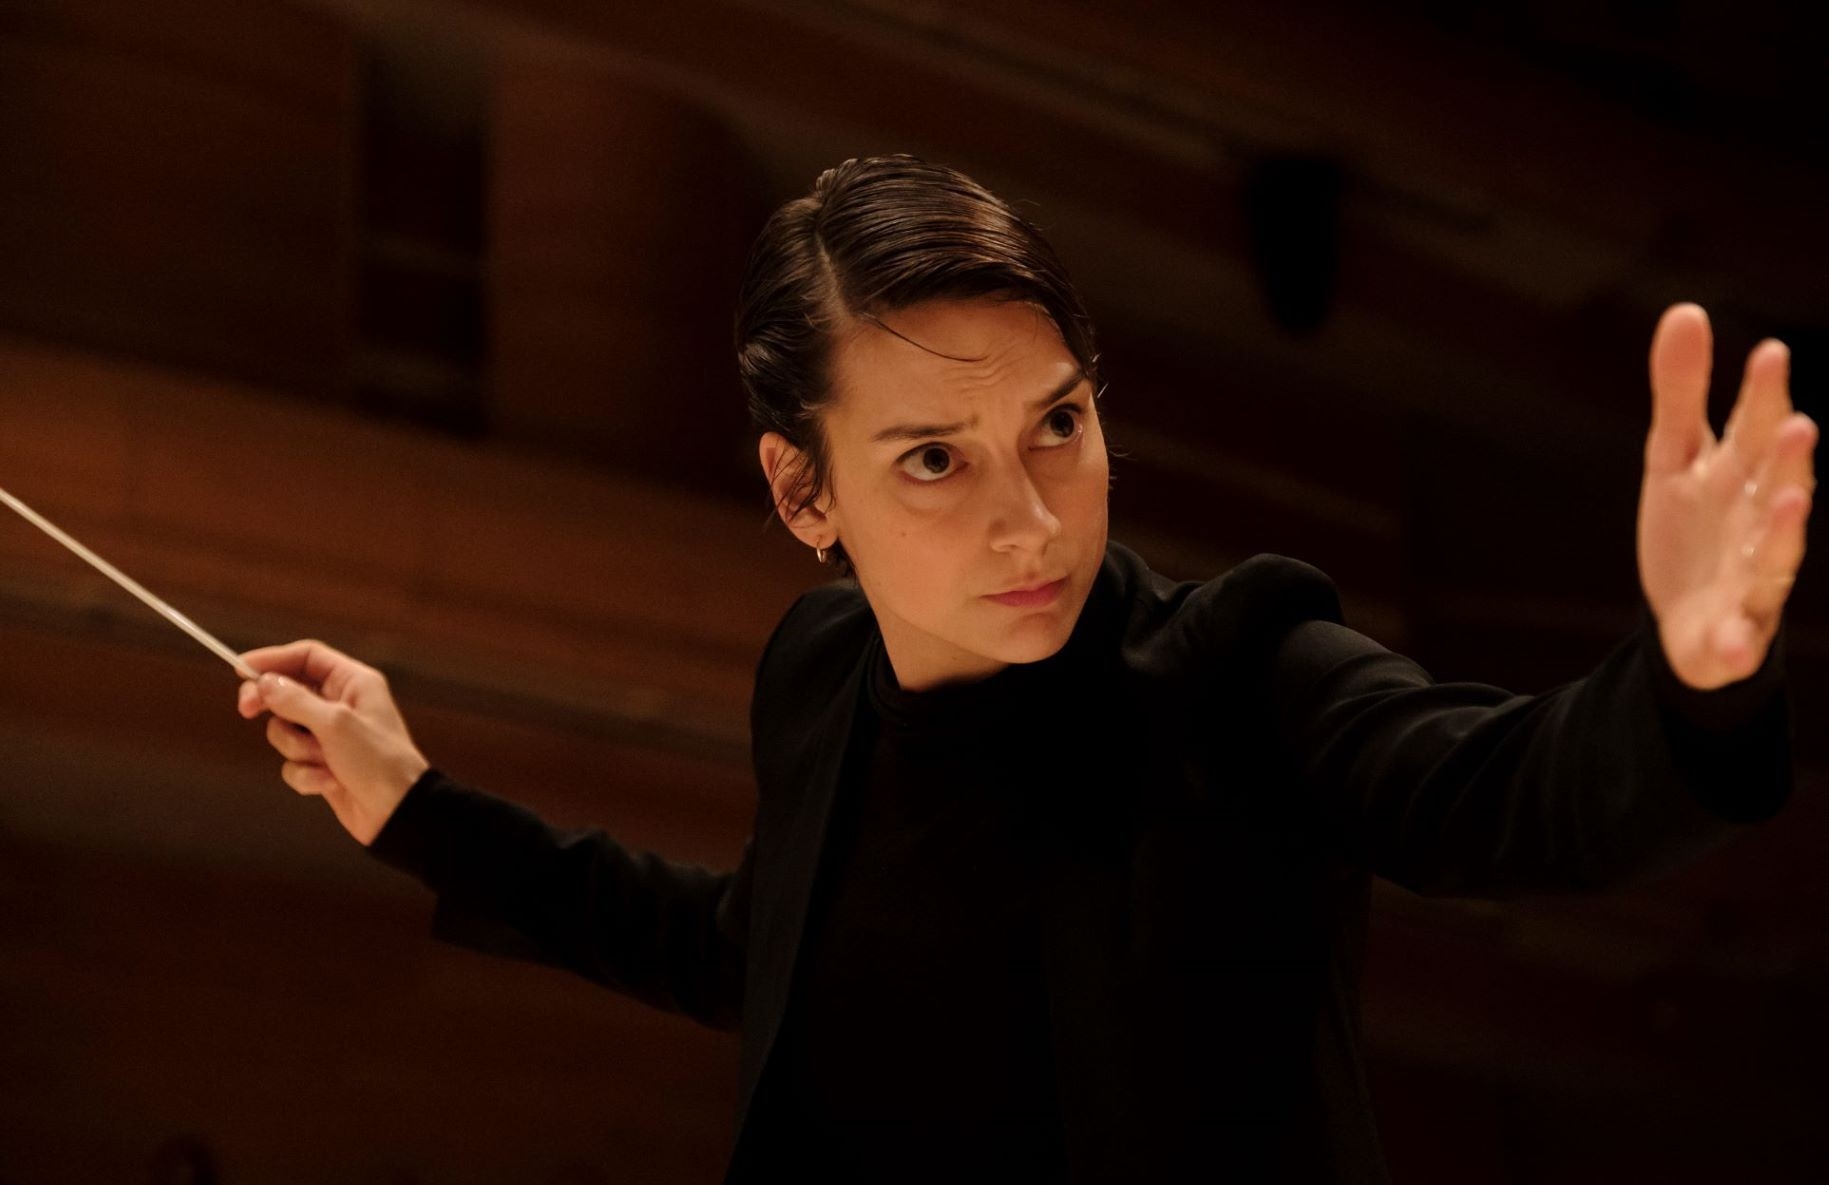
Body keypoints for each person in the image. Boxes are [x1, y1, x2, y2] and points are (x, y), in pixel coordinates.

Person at [234, 154, 1814, 1183]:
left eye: (1057, 422)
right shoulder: (815, 675)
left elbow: (1503, 796)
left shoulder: (1239, 668)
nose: (1031, 514)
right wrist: (417, 807)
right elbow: (754, 946)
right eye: (932, 460)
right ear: (804, 493)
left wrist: (1689, 675)